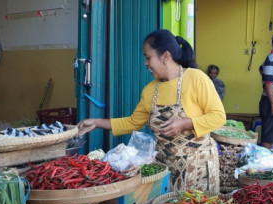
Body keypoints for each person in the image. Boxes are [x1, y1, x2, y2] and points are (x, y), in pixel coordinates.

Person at [77, 29, 226, 192]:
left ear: (166, 56)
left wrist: (186, 123)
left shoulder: (196, 78)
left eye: (148, 57)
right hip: (165, 170)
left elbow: (218, 116)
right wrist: (96, 122)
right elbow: (132, 123)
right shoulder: (150, 90)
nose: (145, 63)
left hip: (199, 170)